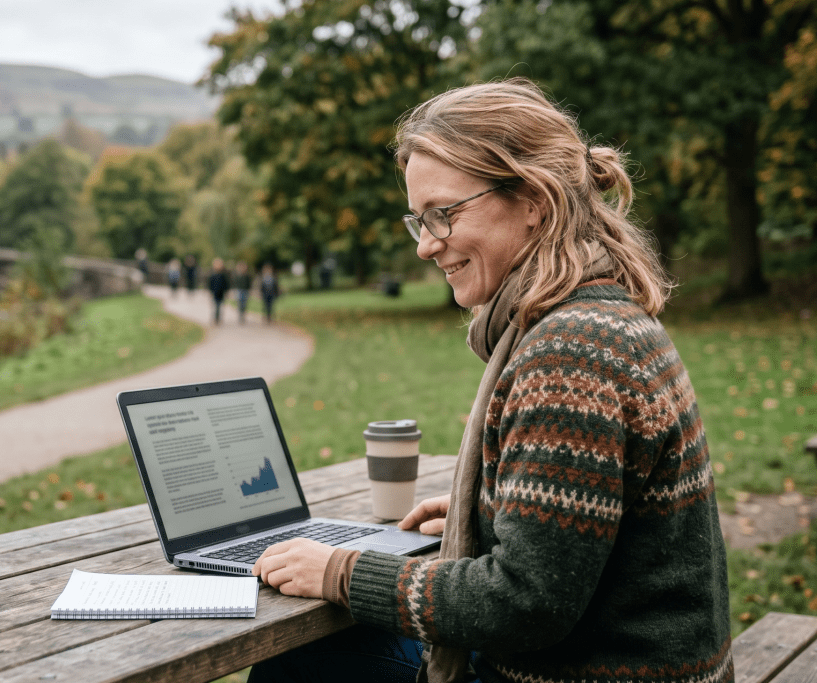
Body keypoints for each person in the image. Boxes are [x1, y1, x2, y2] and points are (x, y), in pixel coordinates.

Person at [249, 79, 732, 683]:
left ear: (533, 200)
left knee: (300, 667)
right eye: (417, 220)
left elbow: (526, 604)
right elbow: (593, 538)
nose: (426, 246)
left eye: (443, 215)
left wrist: (341, 573)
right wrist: (503, 510)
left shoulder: (573, 354)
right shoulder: (598, 315)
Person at [207, 257, 230, 324]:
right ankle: (215, 318)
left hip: (221, 293)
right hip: (215, 293)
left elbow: (226, 284)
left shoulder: (223, 275)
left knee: (219, 306)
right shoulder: (212, 274)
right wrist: (210, 292)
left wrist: (227, 291)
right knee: (215, 305)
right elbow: (210, 284)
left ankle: (218, 318)